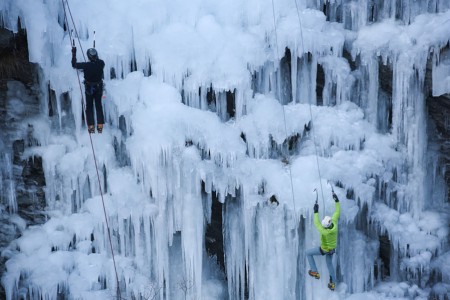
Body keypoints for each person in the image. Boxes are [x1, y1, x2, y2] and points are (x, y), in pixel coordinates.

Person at [306, 191, 340, 291]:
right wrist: (336, 200)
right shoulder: (334, 223)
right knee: (329, 264)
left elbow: (316, 222)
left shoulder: (324, 231)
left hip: (324, 249)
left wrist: (316, 211)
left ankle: (315, 271)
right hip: (332, 250)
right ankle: (333, 283)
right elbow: (337, 211)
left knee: (308, 253)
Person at [71, 46, 105, 133]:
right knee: (98, 106)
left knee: (89, 107)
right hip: (99, 88)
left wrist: (74, 53)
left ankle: (91, 126)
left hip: (89, 88)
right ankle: (100, 125)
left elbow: (74, 65)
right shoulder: (101, 63)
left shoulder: (86, 66)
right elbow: (97, 64)